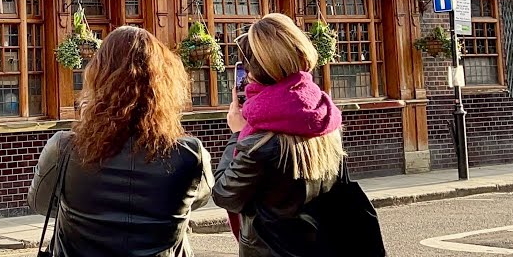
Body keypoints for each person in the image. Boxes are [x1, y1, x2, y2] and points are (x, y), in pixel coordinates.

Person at [28, 26, 213, 257]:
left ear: (97, 79)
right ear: (164, 83)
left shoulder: (65, 148)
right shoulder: (189, 153)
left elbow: (40, 203)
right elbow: (196, 200)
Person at [212, 13, 385, 257]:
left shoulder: (259, 144)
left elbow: (224, 193)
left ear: (254, 72)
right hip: (322, 246)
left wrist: (236, 134)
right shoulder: (325, 119)